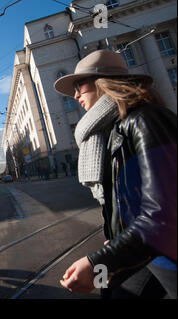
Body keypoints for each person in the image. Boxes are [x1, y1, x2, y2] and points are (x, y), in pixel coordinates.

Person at [54, 50, 177, 298]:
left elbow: (164, 211)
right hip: (143, 252)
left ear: (104, 82)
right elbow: (127, 200)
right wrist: (116, 240)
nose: (76, 94)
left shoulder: (146, 120)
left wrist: (99, 261)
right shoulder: (110, 132)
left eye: (80, 84)